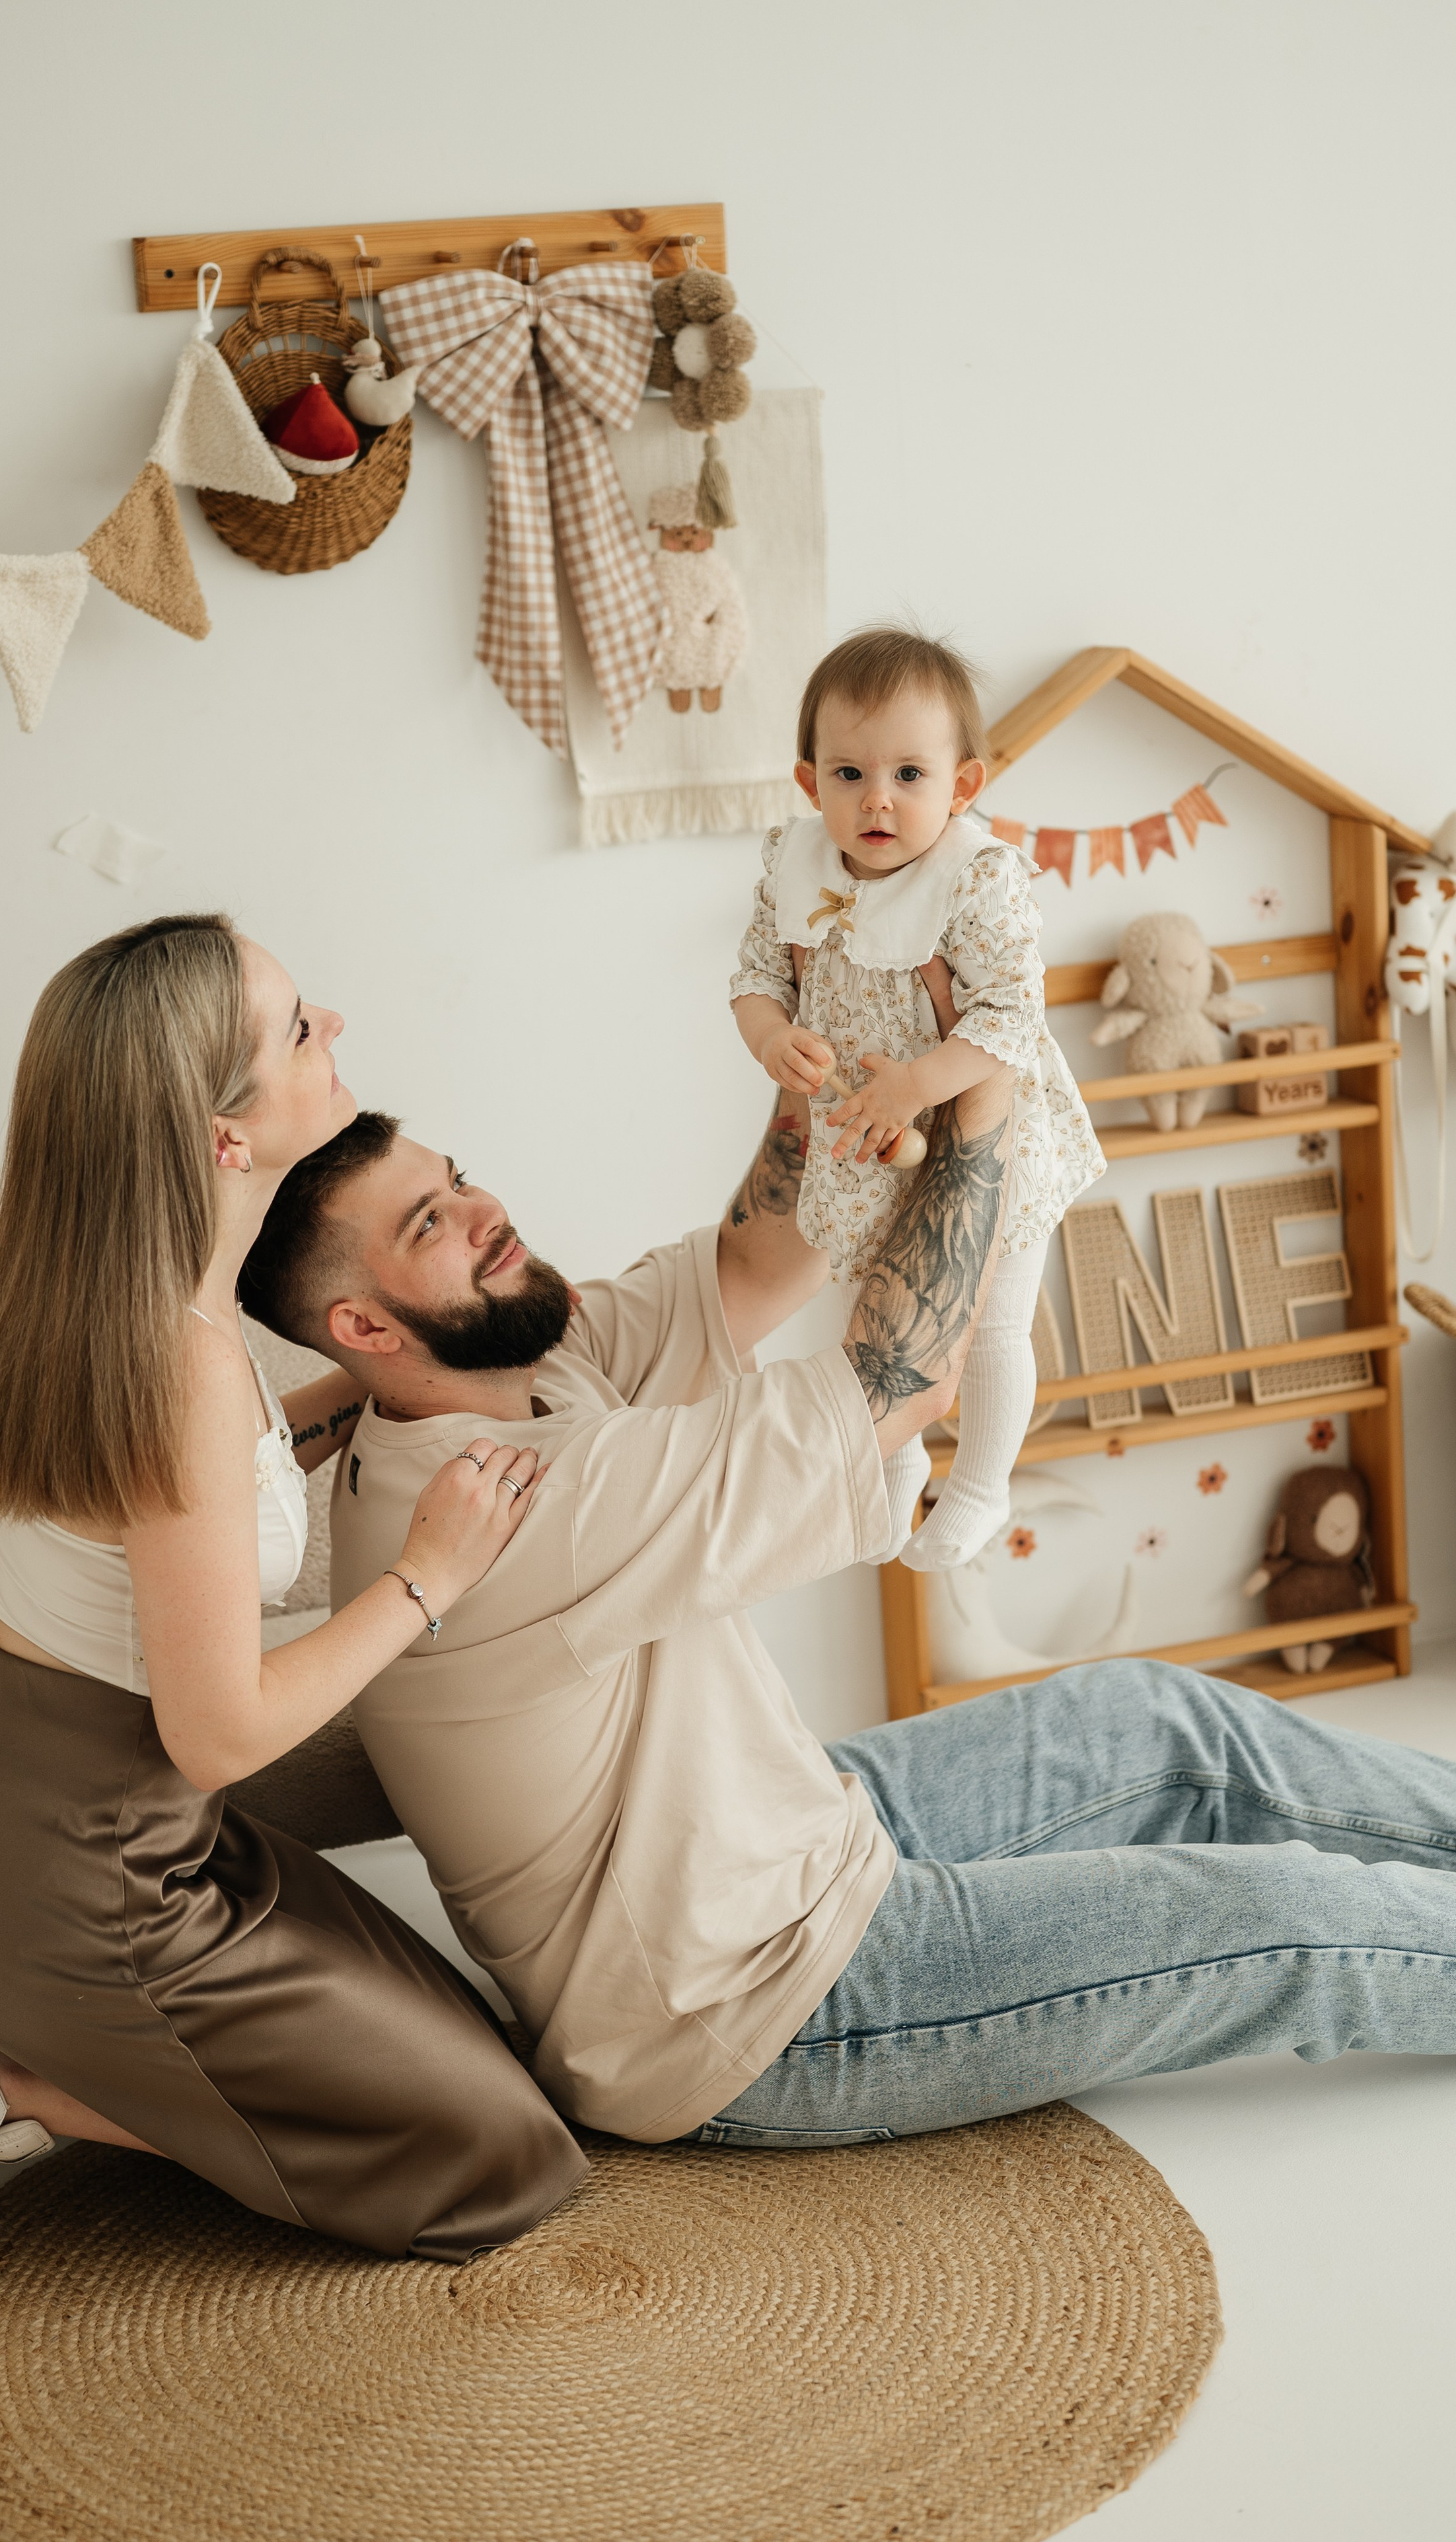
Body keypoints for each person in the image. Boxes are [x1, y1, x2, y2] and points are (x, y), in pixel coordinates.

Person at [237, 1085, 1456, 2155]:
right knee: (1277, 1918)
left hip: (788, 1837)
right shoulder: (500, 1505)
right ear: (364, 1328)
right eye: (430, 1227)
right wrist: (977, 1110)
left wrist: (833, 1055)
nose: (484, 1212)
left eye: (454, 1181)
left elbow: (761, 1260)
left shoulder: (520, 1362)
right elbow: (899, 1377)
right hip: (755, 2008)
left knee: (1159, 1717)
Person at [0, 914, 586, 2324]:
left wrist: (316, 1420)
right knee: (501, 2160)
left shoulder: (104, 1286)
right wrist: (425, 1574)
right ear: (221, 1138)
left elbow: (147, 1526)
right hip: (91, 1876)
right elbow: (214, 1729)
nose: (339, 1033)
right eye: (302, 1029)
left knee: (483, 2046)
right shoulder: (173, 1359)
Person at [729, 626, 1104, 1566]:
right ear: (811, 783)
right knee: (877, 1321)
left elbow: (1015, 1014)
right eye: (850, 774)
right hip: (865, 1137)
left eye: (908, 773)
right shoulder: (795, 867)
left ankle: (980, 1485)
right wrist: (772, 1037)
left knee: (996, 1319)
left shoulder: (976, 878)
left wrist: (918, 1083)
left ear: (961, 786)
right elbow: (754, 977)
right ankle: (896, 1480)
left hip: (982, 1127)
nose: (879, 800)